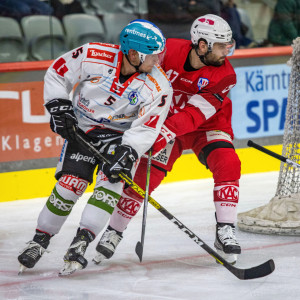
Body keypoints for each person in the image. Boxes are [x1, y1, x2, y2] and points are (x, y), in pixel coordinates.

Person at [17, 19, 173, 276]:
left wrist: (129, 151)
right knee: (70, 184)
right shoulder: (93, 54)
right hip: (83, 129)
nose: (158, 61)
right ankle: (39, 240)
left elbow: (147, 127)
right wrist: (59, 105)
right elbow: (58, 71)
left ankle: (82, 241)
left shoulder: (159, 85)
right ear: (133, 53)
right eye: (153, 56)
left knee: (109, 186)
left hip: (121, 138)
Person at [94, 14, 242, 265]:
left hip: (205, 126)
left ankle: (225, 229)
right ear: (202, 45)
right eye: (220, 46)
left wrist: (161, 135)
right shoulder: (165, 52)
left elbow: (194, 115)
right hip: (163, 122)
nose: (226, 51)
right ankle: (114, 230)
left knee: (229, 163)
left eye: (228, 45)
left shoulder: (225, 74)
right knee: (142, 178)